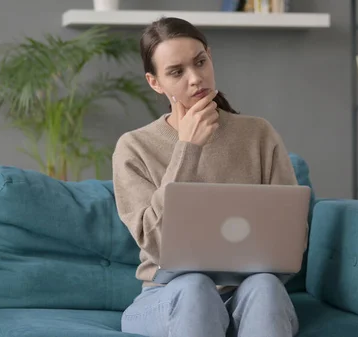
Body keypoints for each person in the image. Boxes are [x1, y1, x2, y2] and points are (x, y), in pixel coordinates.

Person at [112, 16, 302, 337]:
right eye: (176, 72)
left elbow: (290, 239)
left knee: (266, 286)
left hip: (247, 295)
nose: (196, 78)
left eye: (200, 62)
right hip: (169, 294)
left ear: (210, 57)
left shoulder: (258, 134)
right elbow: (157, 244)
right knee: (196, 287)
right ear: (155, 82)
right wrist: (187, 148)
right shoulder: (134, 147)